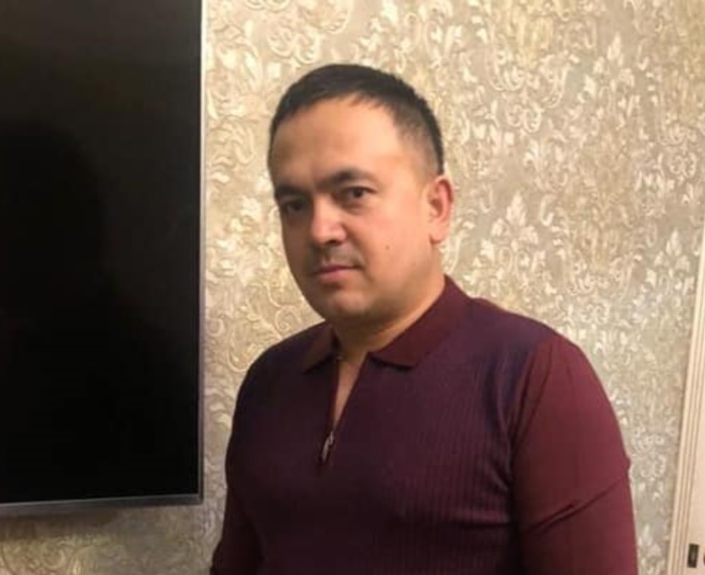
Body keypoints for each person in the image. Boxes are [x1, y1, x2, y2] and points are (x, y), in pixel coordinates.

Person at [211, 64, 637, 575]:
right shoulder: (269, 380)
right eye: (294, 205)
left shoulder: (536, 378)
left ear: (436, 207)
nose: (320, 230)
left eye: (354, 193)